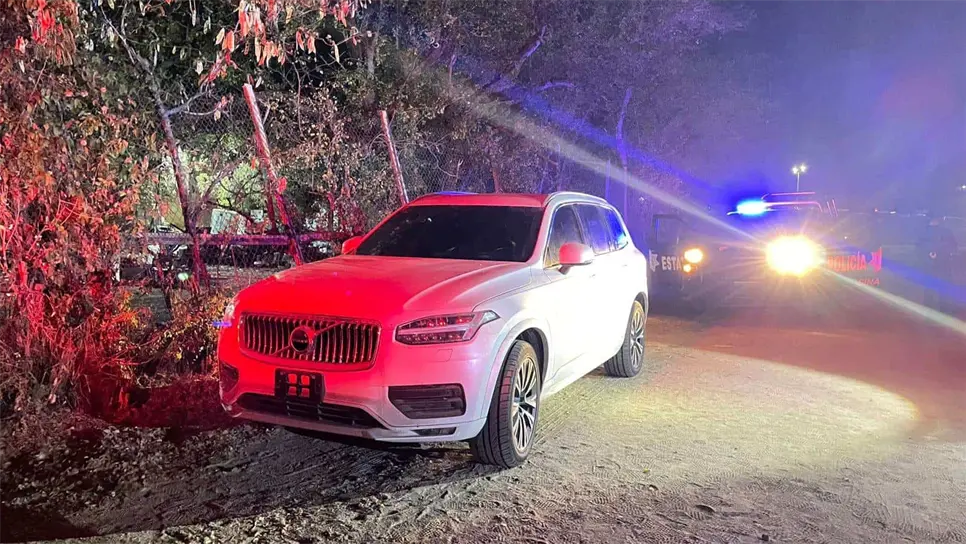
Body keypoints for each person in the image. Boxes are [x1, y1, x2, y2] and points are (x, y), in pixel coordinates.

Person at [916, 216, 958, 313]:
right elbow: (953, 247)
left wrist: (930, 253)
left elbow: (919, 247)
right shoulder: (946, 232)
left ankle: (930, 308)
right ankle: (942, 309)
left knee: (930, 287)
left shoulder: (924, 232)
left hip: (933, 264)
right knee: (940, 287)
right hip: (941, 264)